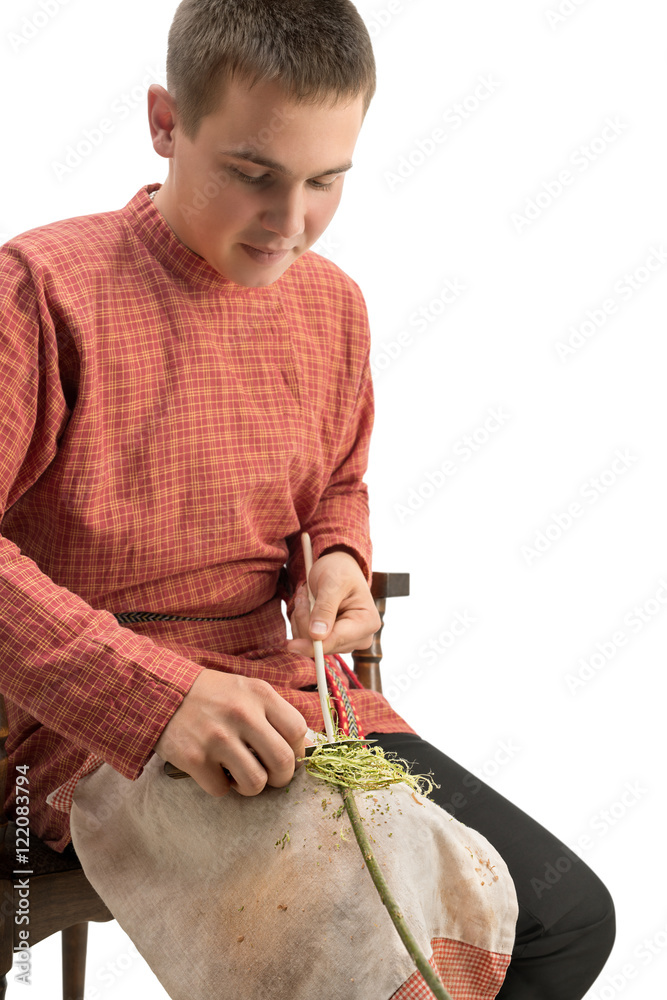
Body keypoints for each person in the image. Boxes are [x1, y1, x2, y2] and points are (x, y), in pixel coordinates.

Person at [0, 1, 614, 997]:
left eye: (327, 182)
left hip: (304, 703)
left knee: (561, 921)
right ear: (165, 123)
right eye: (254, 175)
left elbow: (336, 477)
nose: (291, 224)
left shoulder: (331, 306)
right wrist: (158, 703)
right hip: (90, 736)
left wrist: (336, 553)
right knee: (367, 943)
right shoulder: (40, 288)